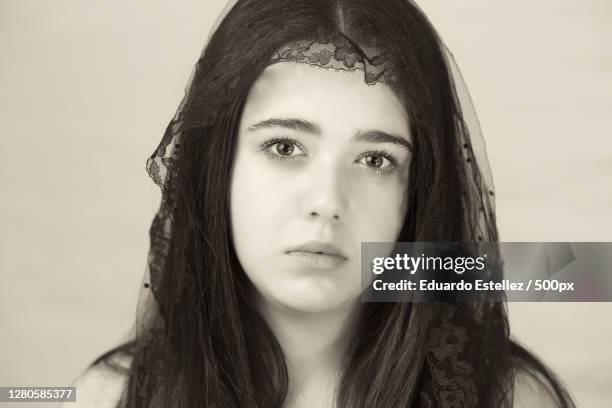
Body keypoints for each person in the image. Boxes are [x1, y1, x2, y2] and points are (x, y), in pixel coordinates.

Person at [68, 0, 576, 407]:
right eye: (285, 148)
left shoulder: (511, 400)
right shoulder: (110, 398)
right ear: (218, 169)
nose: (327, 202)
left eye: (376, 160)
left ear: (416, 194)